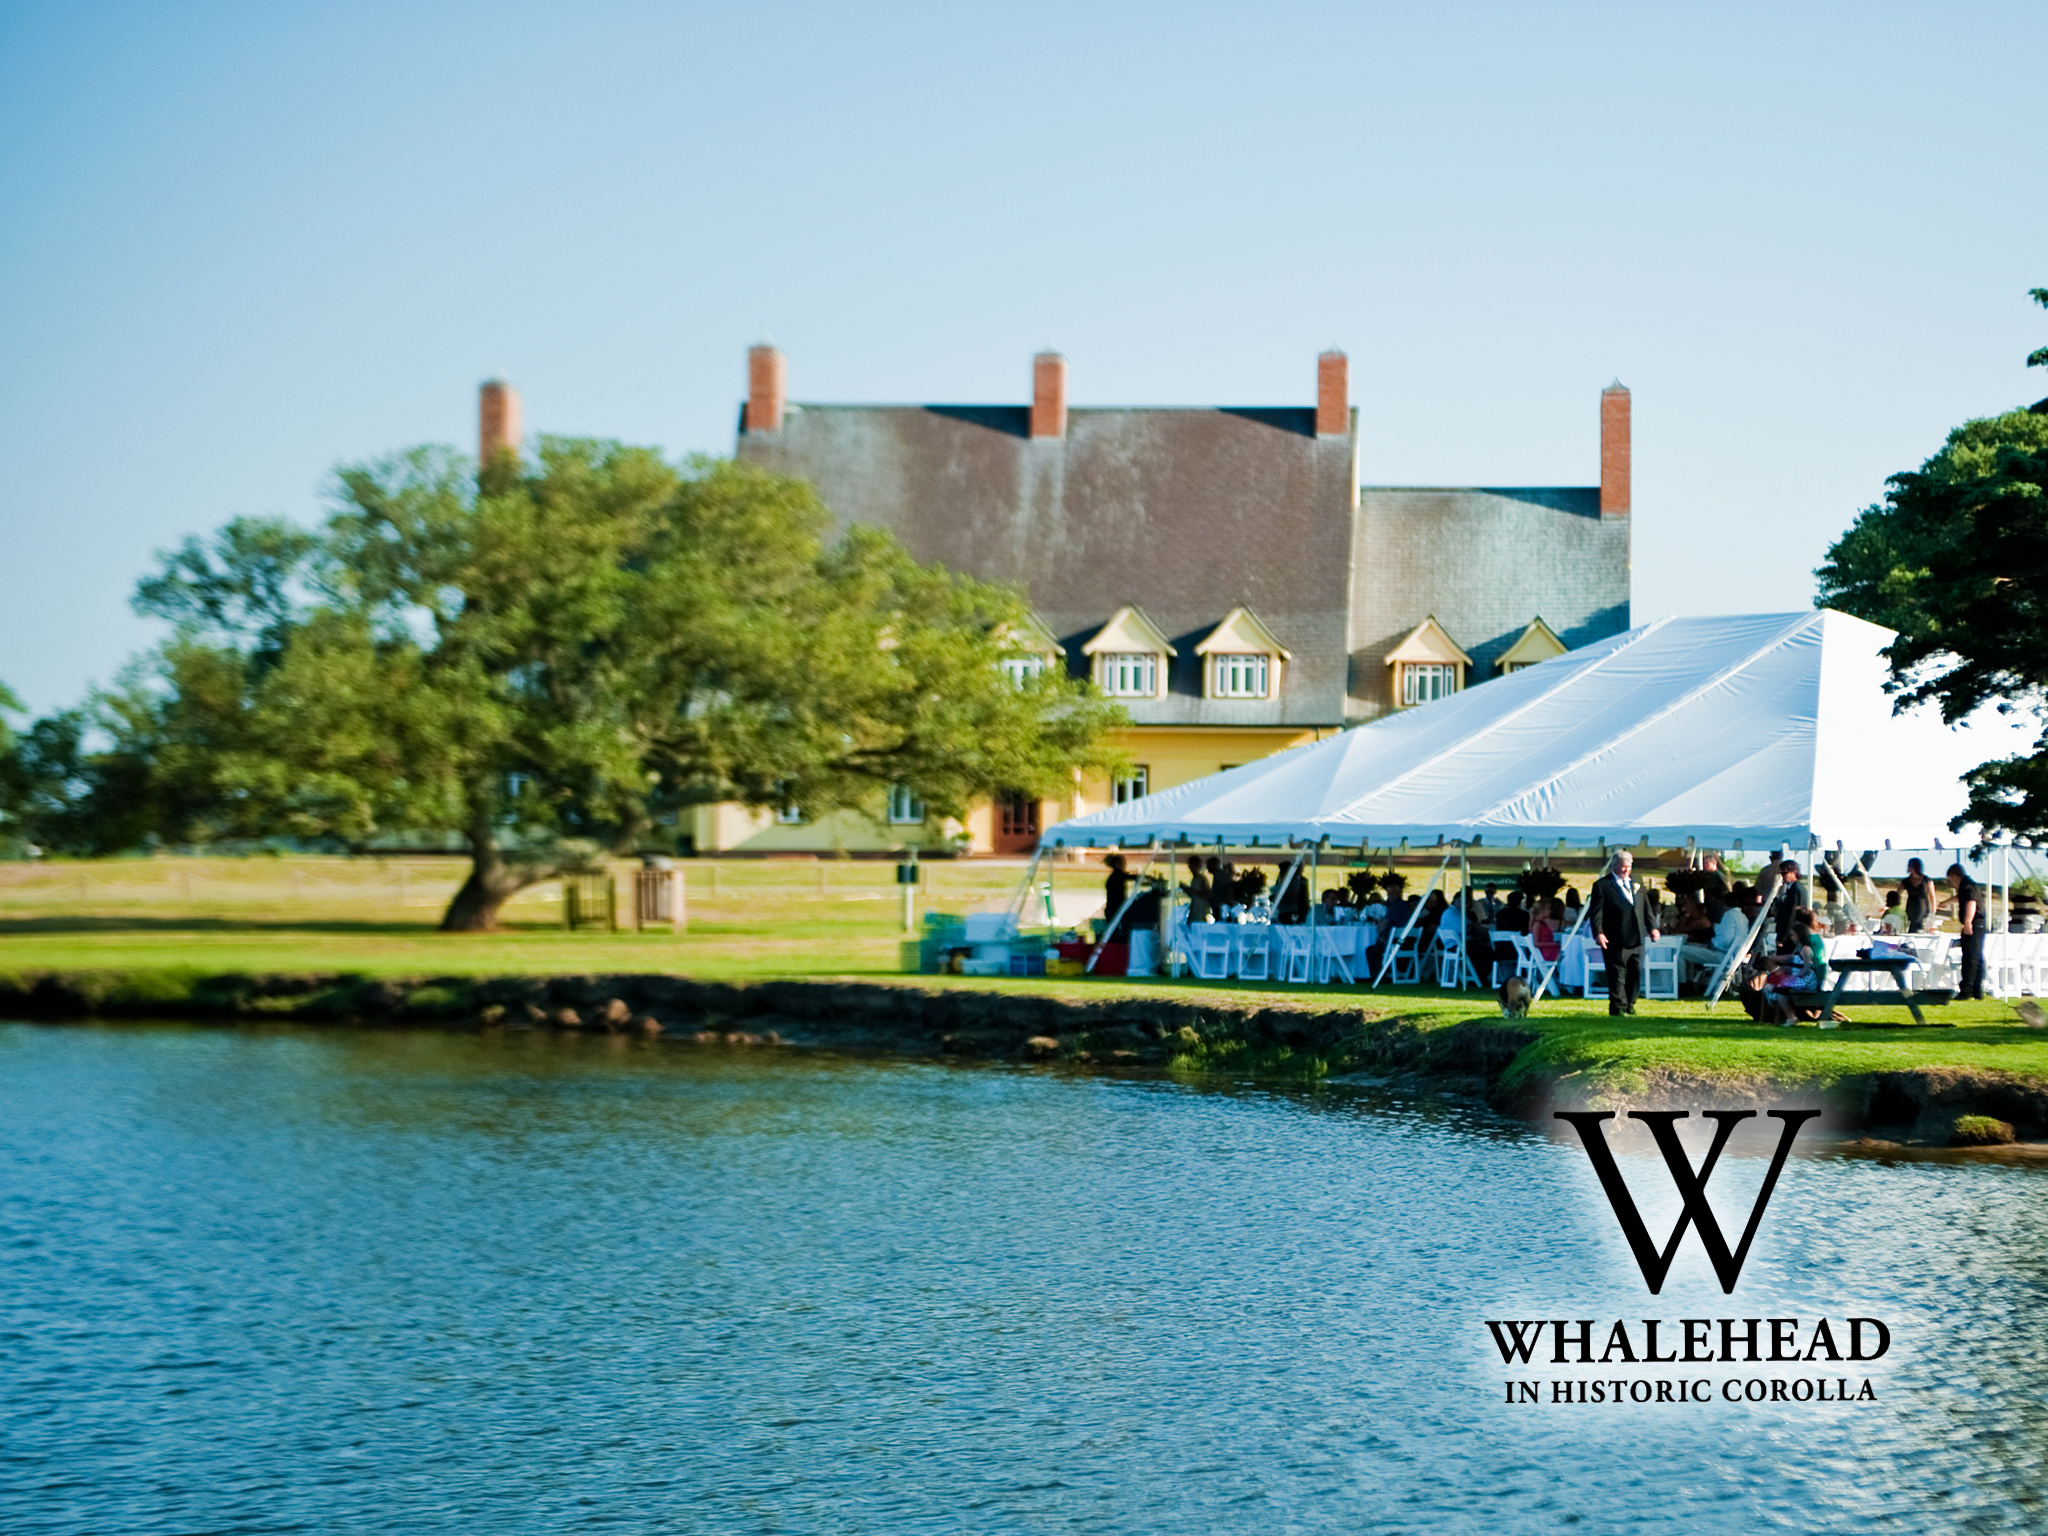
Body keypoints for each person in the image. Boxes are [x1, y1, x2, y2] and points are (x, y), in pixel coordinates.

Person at [1589, 850, 1659, 1015]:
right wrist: (1599, 932)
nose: (1625, 871)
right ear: (1613, 866)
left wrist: (1653, 927)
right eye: (1621, 867)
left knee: (1636, 970)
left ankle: (1630, 1003)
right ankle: (1618, 1006)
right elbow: (1596, 913)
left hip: (1637, 936)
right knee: (1617, 973)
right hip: (1615, 936)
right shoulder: (1602, 886)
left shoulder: (1638, 882)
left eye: (1628, 867)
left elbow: (1646, 907)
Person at [1949, 863, 1987, 1000]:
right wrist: (1946, 902)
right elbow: (1962, 898)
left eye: (1950, 880)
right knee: (1977, 957)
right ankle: (1977, 989)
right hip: (1980, 924)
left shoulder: (1967, 886)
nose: (1950, 883)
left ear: (1954, 876)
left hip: (1974, 923)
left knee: (1970, 957)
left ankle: (1967, 989)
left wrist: (1967, 922)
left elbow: (1971, 902)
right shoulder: (1971, 885)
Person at [1771, 860, 1811, 952]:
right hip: (1792, 933)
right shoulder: (1793, 888)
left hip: (1791, 934)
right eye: (1781, 873)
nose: (1782, 876)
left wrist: (1783, 938)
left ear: (1794, 873)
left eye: (1785, 873)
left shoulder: (1795, 890)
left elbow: (1791, 915)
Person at [1103, 854, 1132, 940]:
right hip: (1114, 909)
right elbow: (1127, 876)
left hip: (1113, 908)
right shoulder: (1117, 876)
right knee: (1115, 932)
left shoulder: (1116, 876)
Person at [1902, 857, 1935, 933]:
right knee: (1911, 926)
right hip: (1911, 907)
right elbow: (1897, 894)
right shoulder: (1906, 881)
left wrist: (1933, 911)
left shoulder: (1926, 880)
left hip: (1923, 906)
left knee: (1922, 926)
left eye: (1910, 866)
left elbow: (1932, 896)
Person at [1185, 854, 1213, 922]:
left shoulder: (1202, 879)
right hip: (1195, 909)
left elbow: (1206, 894)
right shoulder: (1195, 879)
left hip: (1201, 910)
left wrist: (1191, 890)